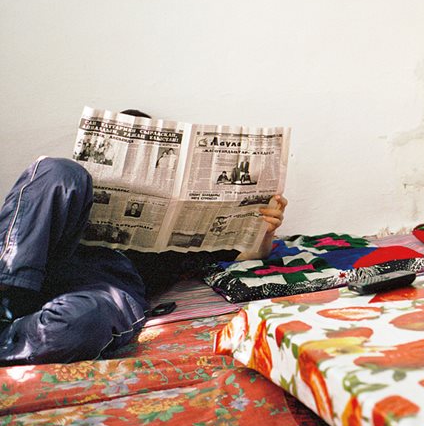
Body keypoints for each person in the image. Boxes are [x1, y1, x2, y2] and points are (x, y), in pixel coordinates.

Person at [0, 143, 286, 366]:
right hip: (45, 258)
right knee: (58, 170)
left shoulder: (186, 239)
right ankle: (7, 292)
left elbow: (252, 254)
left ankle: (9, 331)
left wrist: (267, 228)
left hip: (109, 284)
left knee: (79, 324)